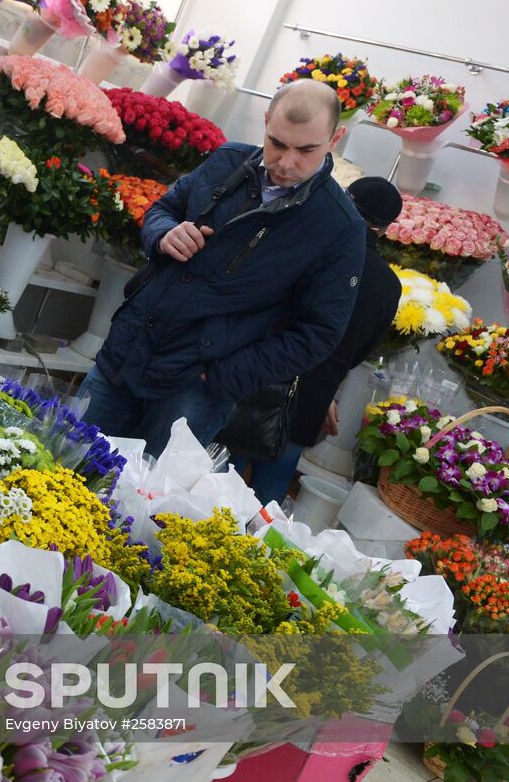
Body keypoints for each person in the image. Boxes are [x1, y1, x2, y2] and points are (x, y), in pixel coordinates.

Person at [76, 78, 366, 456]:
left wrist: (221, 377)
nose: (286, 162)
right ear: (265, 121)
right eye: (277, 142)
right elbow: (163, 209)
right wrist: (165, 235)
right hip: (127, 352)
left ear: (335, 139)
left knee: (140, 501)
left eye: (306, 150)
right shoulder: (228, 160)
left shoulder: (339, 226)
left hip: (196, 390)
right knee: (62, 462)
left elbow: (319, 333)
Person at [236, 177, 404, 504]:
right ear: (385, 229)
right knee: (267, 501)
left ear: (344, 198)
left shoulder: (313, 244)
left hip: (259, 379)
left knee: (215, 477)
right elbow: (360, 352)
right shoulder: (388, 286)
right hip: (311, 401)